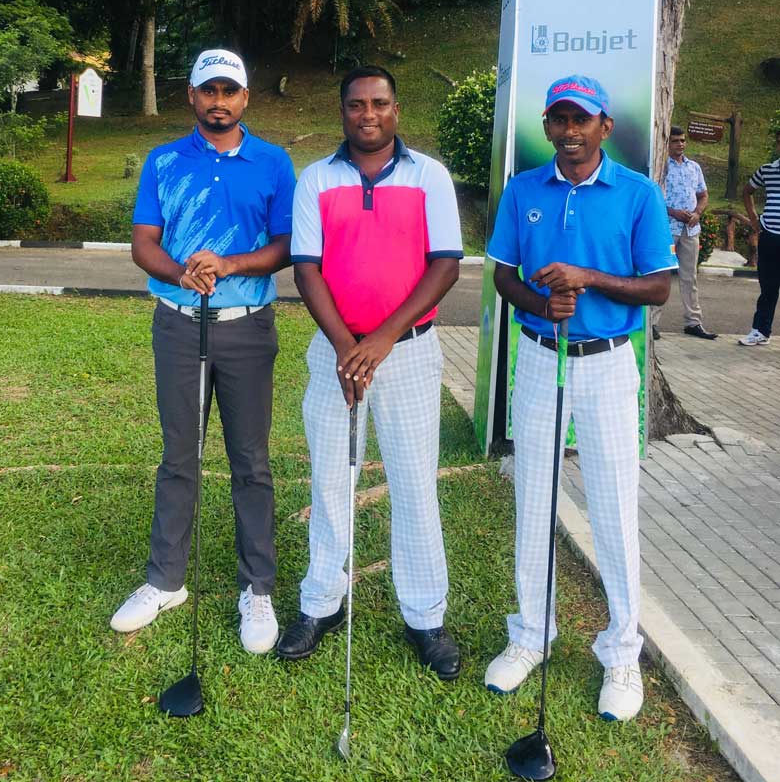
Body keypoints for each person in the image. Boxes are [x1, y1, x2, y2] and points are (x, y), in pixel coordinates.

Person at [483, 74, 676, 721]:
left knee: (614, 508)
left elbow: (658, 288)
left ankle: (621, 651)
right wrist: (543, 304)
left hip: (608, 365)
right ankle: (531, 634)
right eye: (558, 120)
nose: (569, 132)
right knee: (533, 497)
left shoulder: (638, 193)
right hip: (541, 358)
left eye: (581, 120)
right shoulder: (523, 190)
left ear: (604, 127)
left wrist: (586, 278)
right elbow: (503, 274)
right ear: (548, 126)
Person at [276, 66, 464, 680]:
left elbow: (445, 266)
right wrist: (345, 348)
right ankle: (321, 604)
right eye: (356, 104)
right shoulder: (316, 178)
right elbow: (306, 269)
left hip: (407, 352)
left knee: (414, 484)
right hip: (335, 353)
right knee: (331, 480)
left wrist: (378, 342)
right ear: (343, 112)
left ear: (396, 110)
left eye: (379, 103)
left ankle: (425, 616)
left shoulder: (429, 175)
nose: (368, 114)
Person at [110, 49, 296, 656]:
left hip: (247, 327)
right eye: (208, 90)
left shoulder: (273, 162)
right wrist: (179, 274)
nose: (219, 101)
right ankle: (165, 581)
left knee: (251, 461)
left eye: (229, 91)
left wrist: (231, 264)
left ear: (246, 98)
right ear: (191, 96)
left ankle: (258, 588)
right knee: (179, 456)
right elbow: (144, 243)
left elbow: (286, 244)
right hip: (178, 324)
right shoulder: (164, 161)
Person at [651, 126, 715, 340]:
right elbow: (653, 197)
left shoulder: (693, 167)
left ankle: (693, 322)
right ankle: (652, 323)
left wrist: (697, 213)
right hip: (668, 228)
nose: (681, 144)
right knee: (662, 274)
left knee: (690, 277)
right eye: (676, 141)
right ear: (667, 143)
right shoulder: (661, 167)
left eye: (683, 140)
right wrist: (673, 212)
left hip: (690, 229)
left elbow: (703, 195)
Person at [739, 129, 780, 346]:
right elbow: (747, 191)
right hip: (770, 234)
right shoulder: (767, 170)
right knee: (768, 287)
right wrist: (754, 218)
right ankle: (760, 331)